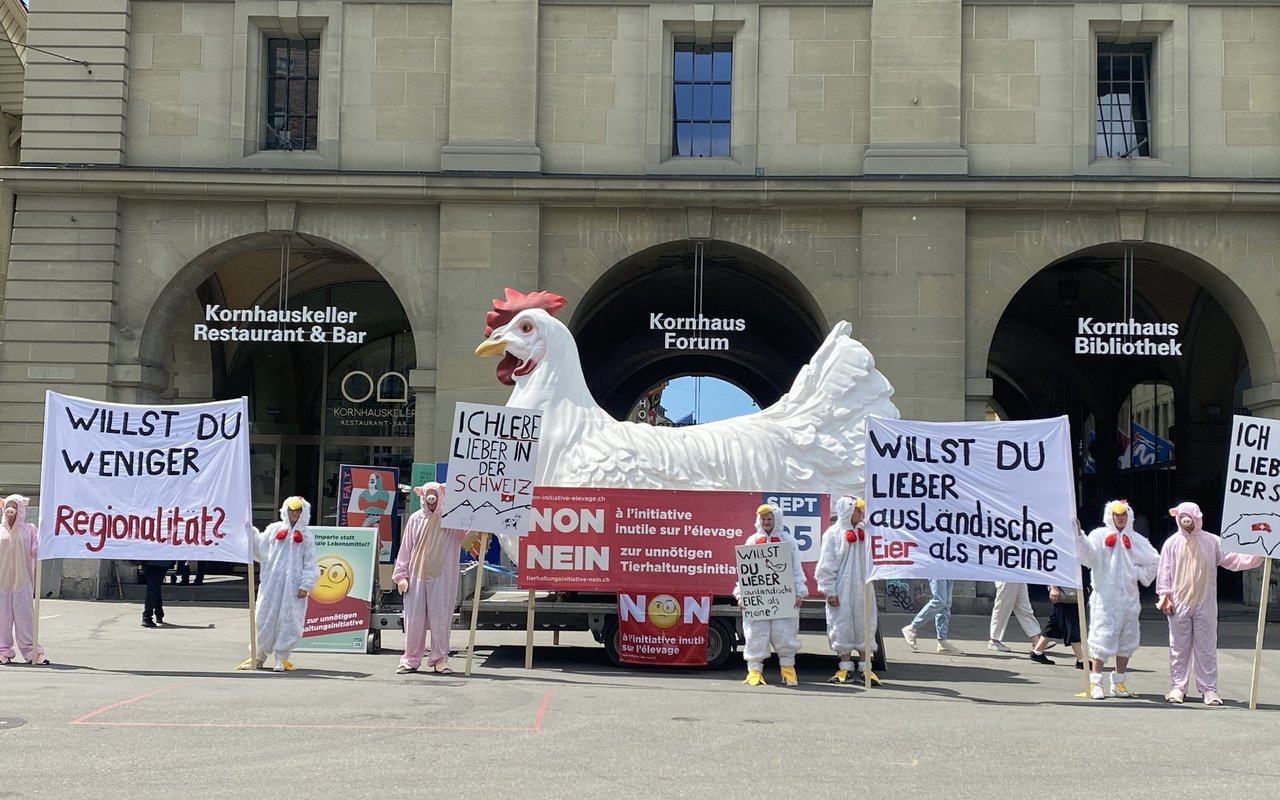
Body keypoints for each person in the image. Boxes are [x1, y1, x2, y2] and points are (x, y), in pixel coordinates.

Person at [1157, 501, 1263, 705]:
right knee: (1178, 647)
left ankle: (1208, 689)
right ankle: (1178, 687)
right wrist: (1165, 595)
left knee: (1206, 647)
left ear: (1197, 518)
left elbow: (1233, 558)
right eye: (1183, 517)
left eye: (1190, 517)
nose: (1186, 521)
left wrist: (1257, 555)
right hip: (1179, 603)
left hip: (1205, 602)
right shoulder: (1171, 543)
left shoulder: (1212, 541)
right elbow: (1164, 571)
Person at [1078, 499, 1159, 699]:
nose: (1121, 518)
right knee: (1101, 638)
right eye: (1117, 515)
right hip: (1105, 600)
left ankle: (1119, 682)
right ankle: (1096, 682)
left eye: (1124, 515)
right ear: (1110, 516)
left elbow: (1156, 561)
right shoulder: (1098, 535)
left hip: (1129, 600)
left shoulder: (1136, 539)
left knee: (1126, 641)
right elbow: (1087, 558)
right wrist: (1079, 537)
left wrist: (1137, 573)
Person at [392, 481, 469, 675]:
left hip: (442, 577)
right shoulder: (415, 519)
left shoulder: (451, 519)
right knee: (414, 619)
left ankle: (440, 659)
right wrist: (401, 575)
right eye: (428, 497)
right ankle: (410, 659)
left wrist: (481, 527)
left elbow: (466, 536)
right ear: (423, 497)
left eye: (435, 497)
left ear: (441, 496)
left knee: (441, 618)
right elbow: (406, 547)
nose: (431, 501)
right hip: (416, 577)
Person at [238, 496, 319, 672]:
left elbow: (310, 563)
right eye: (292, 510)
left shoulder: (307, 536)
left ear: (303, 513)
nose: (294, 514)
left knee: (288, 621)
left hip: (293, 588)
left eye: (298, 511)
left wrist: (305, 585)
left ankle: (281, 658)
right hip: (271, 585)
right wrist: (249, 531)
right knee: (262, 618)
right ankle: (257, 656)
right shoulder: (274, 530)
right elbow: (259, 549)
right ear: (285, 511)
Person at [735, 502, 807, 687]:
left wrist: (799, 592)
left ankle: (788, 668)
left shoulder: (788, 542)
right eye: (763, 519)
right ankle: (754, 670)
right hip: (759, 598)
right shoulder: (752, 540)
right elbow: (745, 572)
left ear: (777, 520)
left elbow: (796, 569)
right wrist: (742, 595)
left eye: (769, 519)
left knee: (784, 632)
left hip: (783, 597)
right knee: (755, 632)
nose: (766, 522)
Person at [815, 495, 879, 685]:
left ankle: (866, 667)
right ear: (848, 511)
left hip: (864, 587)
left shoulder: (867, 532)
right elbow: (826, 564)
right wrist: (830, 591)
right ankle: (845, 667)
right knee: (841, 624)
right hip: (842, 588)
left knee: (865, 622)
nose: (861, 513)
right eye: (857, 510)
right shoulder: (833, 534)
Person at [0, 494, 46, 665]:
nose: (11, 510)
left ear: (20, 509)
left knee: (25, 618)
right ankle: (3, 651)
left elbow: (36, 551)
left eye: (15, 506)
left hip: (23, 581)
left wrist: (44, 540)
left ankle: (32, 652)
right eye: (8, 506)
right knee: (2, 619)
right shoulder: (0, 530)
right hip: (2, 582)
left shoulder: (30, 530)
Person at [1029, 583, 1085, 668]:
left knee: (1055, 623)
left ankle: (1037, 652)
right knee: (1072, 625)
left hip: (1071, 590)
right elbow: (1056, 574)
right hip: (1067, 591)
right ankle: (1081, 659)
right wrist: (1054, 587)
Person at [902, 579, 962, 654]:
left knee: (946, 605)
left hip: (950, 571)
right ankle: (912, 627)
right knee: (939, 601)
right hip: (938, 572)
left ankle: (942, 642)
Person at [987, 582, 1040, 653]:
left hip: (1019, 577)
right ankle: (994, 640)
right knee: (1002, 607)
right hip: (1008, 578)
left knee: (1024, 608)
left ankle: (1037, 641)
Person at [140, 559, 171, 627]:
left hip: (148, 561)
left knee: (155, 586)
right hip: (161, 561)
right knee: (154, 587)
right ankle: (147, 616)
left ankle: (158, 613)